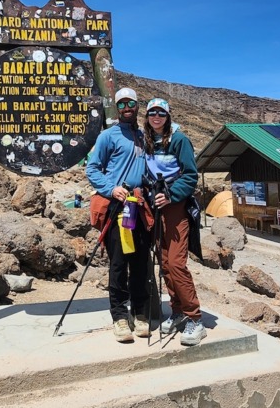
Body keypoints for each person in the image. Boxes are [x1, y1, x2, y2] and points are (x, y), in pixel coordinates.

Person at [85, 87, 150, 343]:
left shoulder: (144, 137)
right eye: (121, 104)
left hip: (140, 206)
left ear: (136, 106)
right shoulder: (107, 136)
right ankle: (120, 318)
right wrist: (111, 189)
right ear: (116, 107)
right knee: (119, 264)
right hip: (117, 207)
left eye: (130, 104)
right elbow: (92, 168)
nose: (126, 108)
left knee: (141, 262)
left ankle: (142, 315)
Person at [142, 98, 206, 346]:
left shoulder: (179, 139)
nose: (156, 117)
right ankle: (177, 310)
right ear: (147, 116)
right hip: (155, 204)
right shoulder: (147, 140)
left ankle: (195, 318)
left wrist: (171, 194)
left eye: (161, 113)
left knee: (176, 263)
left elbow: (190, 174)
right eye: (151, 113)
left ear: (168, 116)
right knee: (164, 261)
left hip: (176, 206)